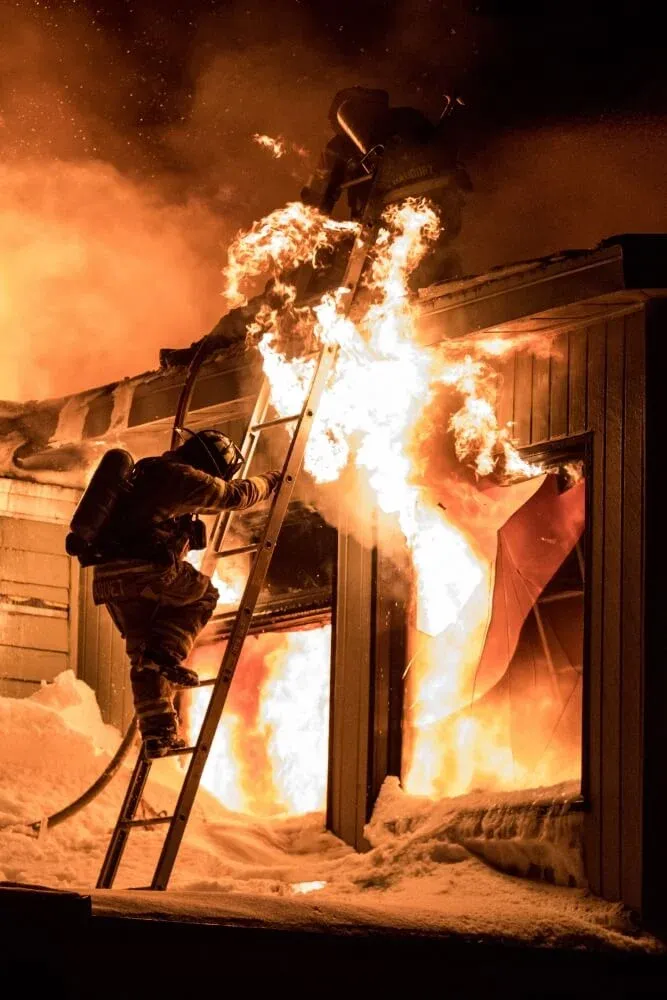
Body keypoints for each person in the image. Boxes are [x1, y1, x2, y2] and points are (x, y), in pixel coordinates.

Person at [90, 429, 281, 757]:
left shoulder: (149, 471)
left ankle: (158, 732)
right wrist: (272, 480)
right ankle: (167, 652)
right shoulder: (183, 477)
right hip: (144, 570)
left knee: (143, 658)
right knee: (204, 595)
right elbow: (234, 496)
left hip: (109, 581)